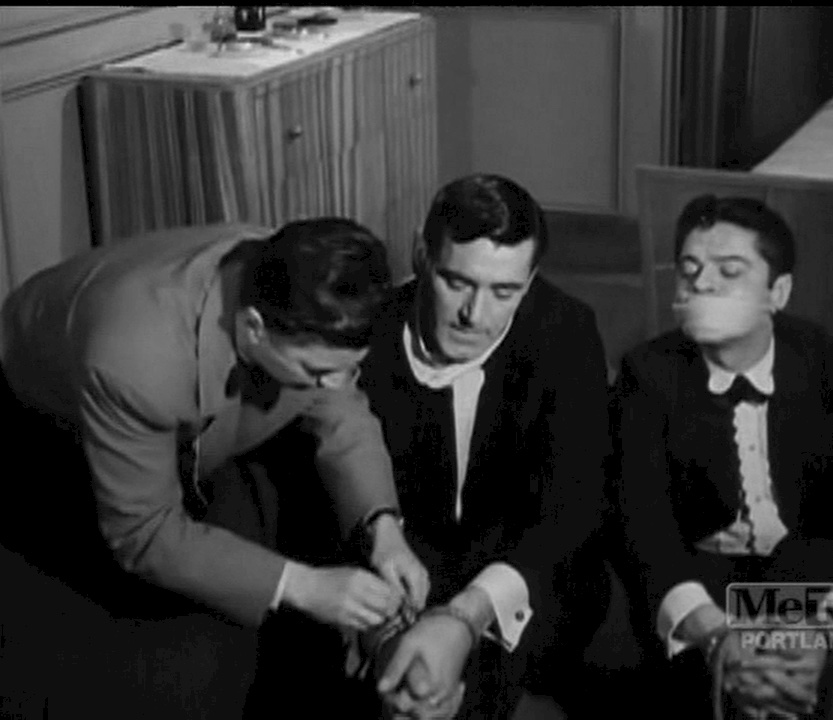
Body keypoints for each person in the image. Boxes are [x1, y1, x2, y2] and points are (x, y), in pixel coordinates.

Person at [0, 219, 429, 717]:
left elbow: (341, 412)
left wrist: (383, 528)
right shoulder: (133, 358)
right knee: (118, 652)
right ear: (254, 328)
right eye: (317, 372)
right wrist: (304, 586)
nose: (335, 385)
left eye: (347, 368)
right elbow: (144, 534)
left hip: (168, 412)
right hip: (44, 426)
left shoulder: (303, 290)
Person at [610, 195, 833, 718]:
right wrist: (713, 635)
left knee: (784, 684)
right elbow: (641, 522)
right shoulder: (645, 374)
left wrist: (830, 632)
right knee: (700, 693)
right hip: (698, 579)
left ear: (778, 292)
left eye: (729, 271)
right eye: (689, 269)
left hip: (805, 576)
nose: (702, 284)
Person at [353, 174, 612, 719]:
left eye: (504, 292)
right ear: (421, 255)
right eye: (456, 282)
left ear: (531, 280)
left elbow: (571, 509)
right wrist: (387, 637)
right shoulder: (370, 333)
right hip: (395, 582)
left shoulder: (567, 331)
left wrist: (465, 617)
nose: (475, 314)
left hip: (519, 575)